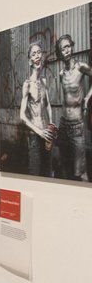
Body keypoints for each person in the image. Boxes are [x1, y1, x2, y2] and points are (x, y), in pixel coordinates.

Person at [55, 34, 92, 180]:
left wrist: (88, 97)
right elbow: (64, 98)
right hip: (64, 123)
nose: (67, 50)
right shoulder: (61, 73)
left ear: (72, 47)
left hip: (77, 123)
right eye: (63, 49)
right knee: (64, 164)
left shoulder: (80, 67)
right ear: (60, 53)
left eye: (68, 46)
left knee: (80, 170)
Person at [19, 42, 55, 177]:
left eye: (39, 52)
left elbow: (48, 105)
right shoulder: (27, 85)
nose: (37, 56)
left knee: (48, 173)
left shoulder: (44, 81)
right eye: (33, 54)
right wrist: (39, 132)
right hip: (35, 136)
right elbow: (22, 116)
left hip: (47, 135)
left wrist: (51, 124)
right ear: (30, 61)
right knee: (35, 174)